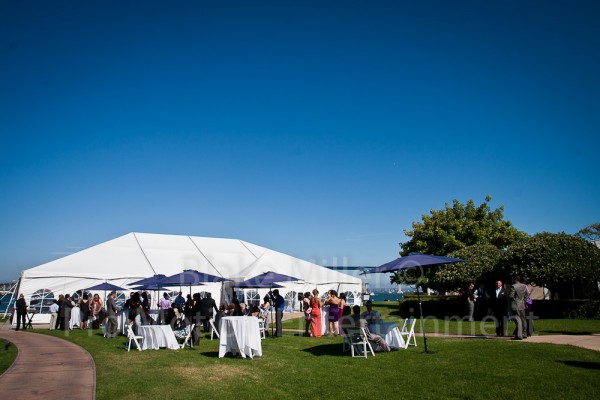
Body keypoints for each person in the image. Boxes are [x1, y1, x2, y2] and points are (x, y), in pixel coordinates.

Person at [508, 276, 528, 340]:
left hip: (515, 305)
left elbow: (511, 296)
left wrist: (507, 295)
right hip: (522, 305)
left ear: (515, 279)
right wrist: (523, 301)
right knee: (523, 319)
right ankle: (524, 334)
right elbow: (527, 295)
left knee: (517, 319)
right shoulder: (524, 286)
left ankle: (519, 335)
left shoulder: (513, 286)